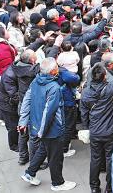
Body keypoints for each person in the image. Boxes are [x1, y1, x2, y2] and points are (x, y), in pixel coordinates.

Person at [18, 57, 77, 191]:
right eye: (56, 67)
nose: (58, 69)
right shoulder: (54, 88)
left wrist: (23, 121)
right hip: (52, 129)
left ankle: (30, 173)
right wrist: (42, 132)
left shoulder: (36, 81)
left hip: (38, 124)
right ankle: (58, 183)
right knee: (56, 157)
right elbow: (49, 112)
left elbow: (27, 100)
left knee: (43, 149)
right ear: (52, 71)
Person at [80, 51, 113, 193]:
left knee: (95, 159)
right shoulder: (111, 88)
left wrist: (86, 127)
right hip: (112, 130)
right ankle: (109, 187)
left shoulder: (85, 93)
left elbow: (83, 113)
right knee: (110, 159)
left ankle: (94, 187)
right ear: (104, 76)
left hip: (95, 131)